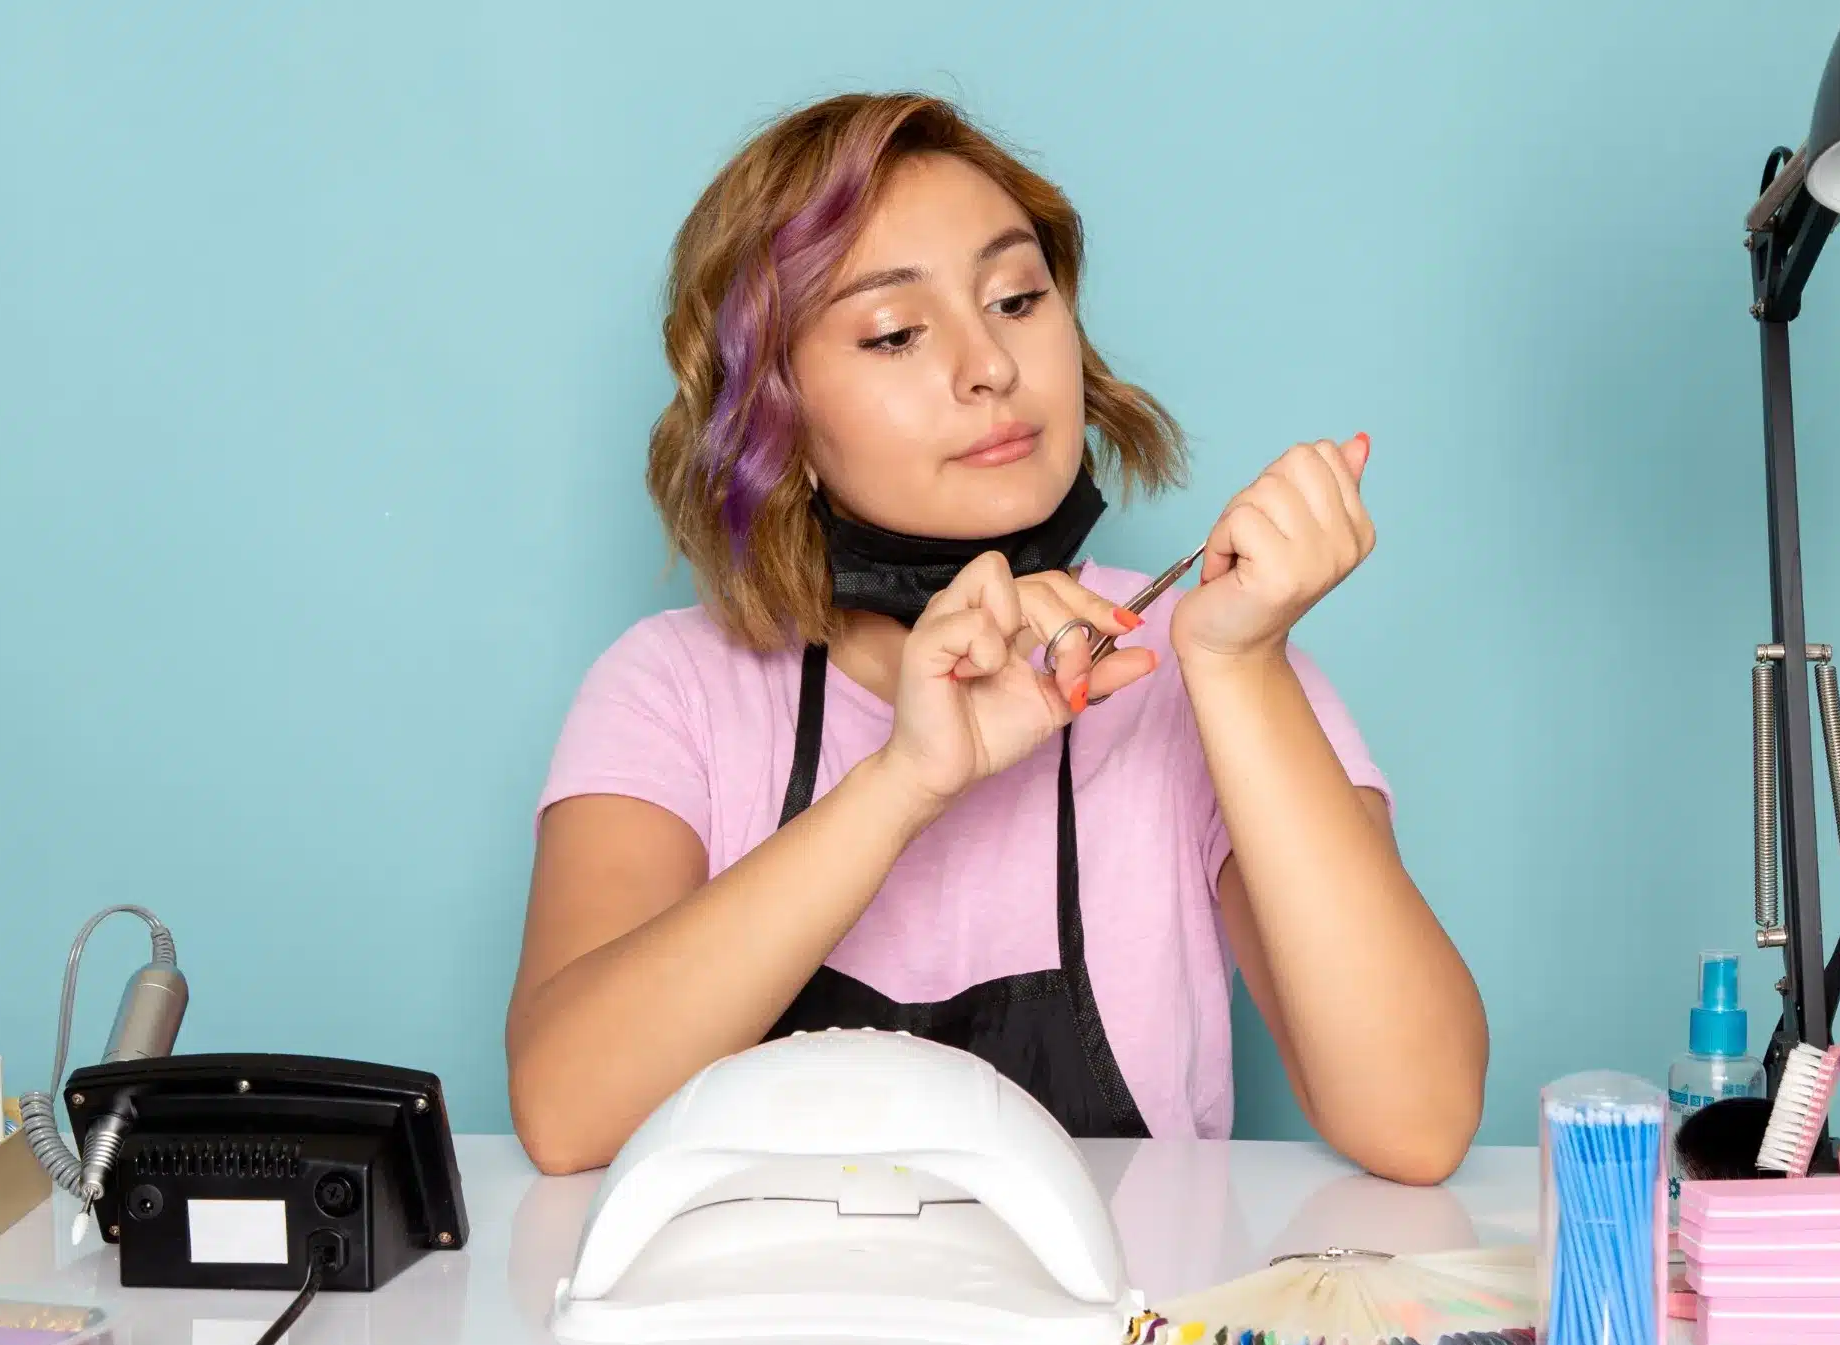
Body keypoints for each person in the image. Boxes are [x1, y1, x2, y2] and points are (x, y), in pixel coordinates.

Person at [506, 91, 1488, 1183]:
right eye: (893, 332)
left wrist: (1239, 666)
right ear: (771, 420)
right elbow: (565, 1110)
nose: (990, 367)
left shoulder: (1198, 659)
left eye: (1017, 299)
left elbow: (1416, 1119)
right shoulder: (670, 688)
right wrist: (906, 782)